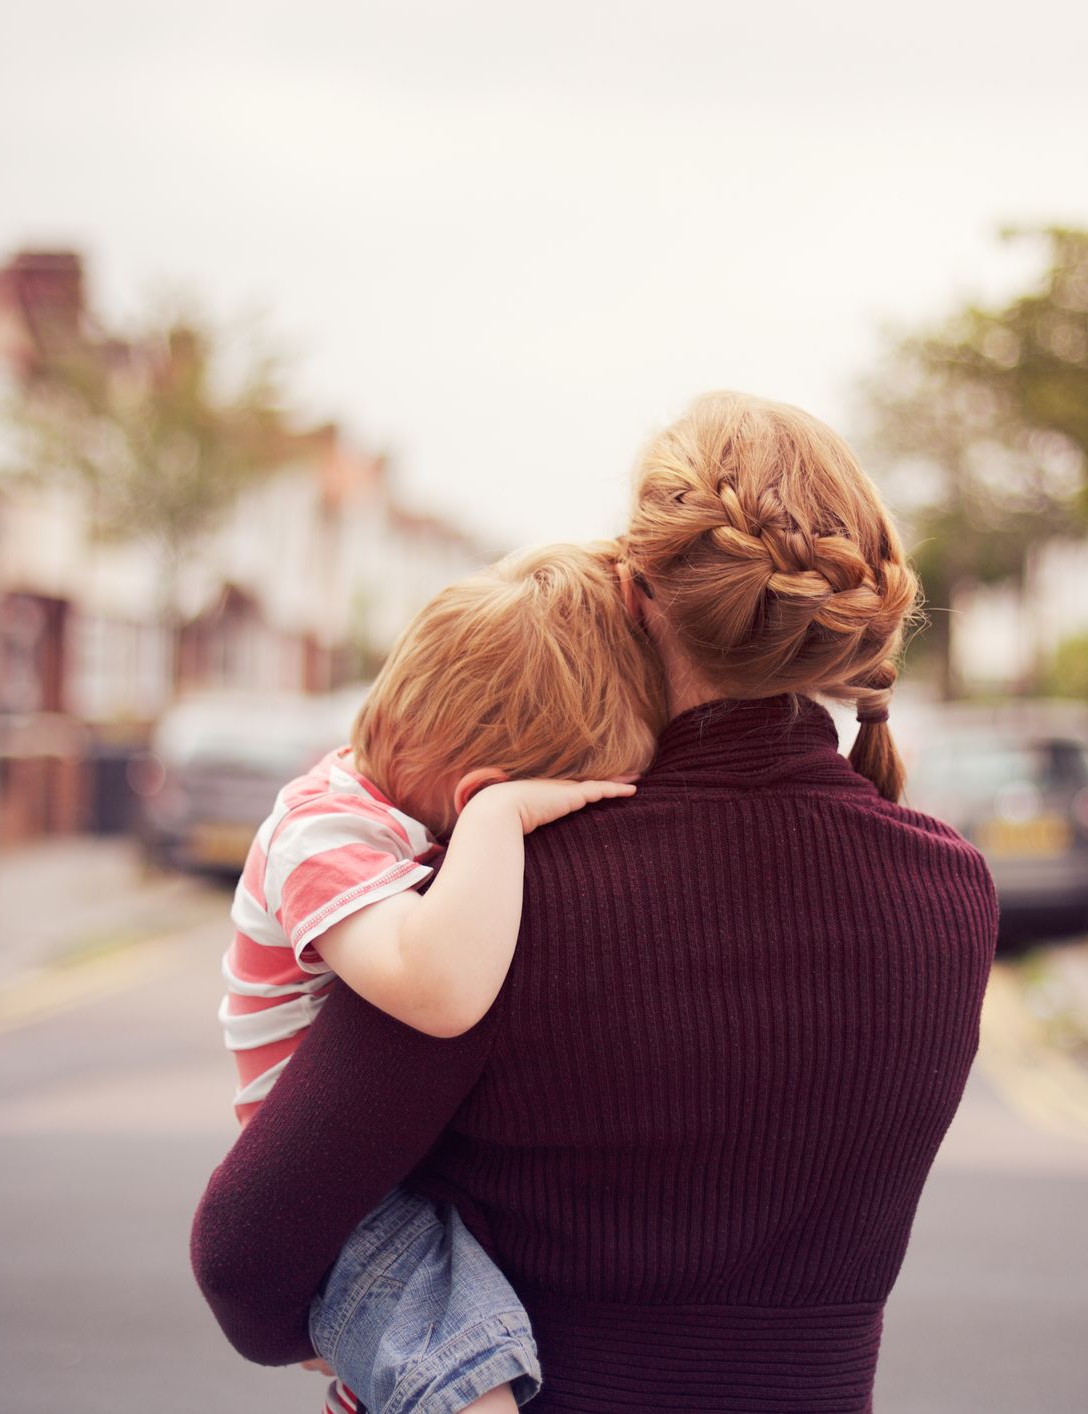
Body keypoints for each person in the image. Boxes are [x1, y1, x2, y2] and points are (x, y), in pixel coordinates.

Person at [193, 391, 1000, 1412]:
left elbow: (246, 1253)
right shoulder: (952, 894)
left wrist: (332, 1325)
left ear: (629, 591)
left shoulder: (515, 893)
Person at [220, 541, 665, 1413]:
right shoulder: (318, 830)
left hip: (398, 1182)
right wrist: (505, 822)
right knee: (471, 1383)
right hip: (345, 1209)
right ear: (479, 792)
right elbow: (440, 992)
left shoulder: (391, 816)